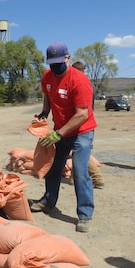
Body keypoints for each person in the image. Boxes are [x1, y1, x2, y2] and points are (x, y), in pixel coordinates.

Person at [30, 42, 97, 233]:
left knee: (79, 170)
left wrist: (58, 134)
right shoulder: (47, 76)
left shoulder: (79, 81)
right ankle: (48, 201)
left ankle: (85, 214)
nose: (54, 67)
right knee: (53, 166)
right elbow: (47, 94)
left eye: (58, 62)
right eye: (51, 63)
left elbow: (82, 114)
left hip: (82, 131)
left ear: (68, 58)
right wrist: (45, 112)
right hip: (61, 130)